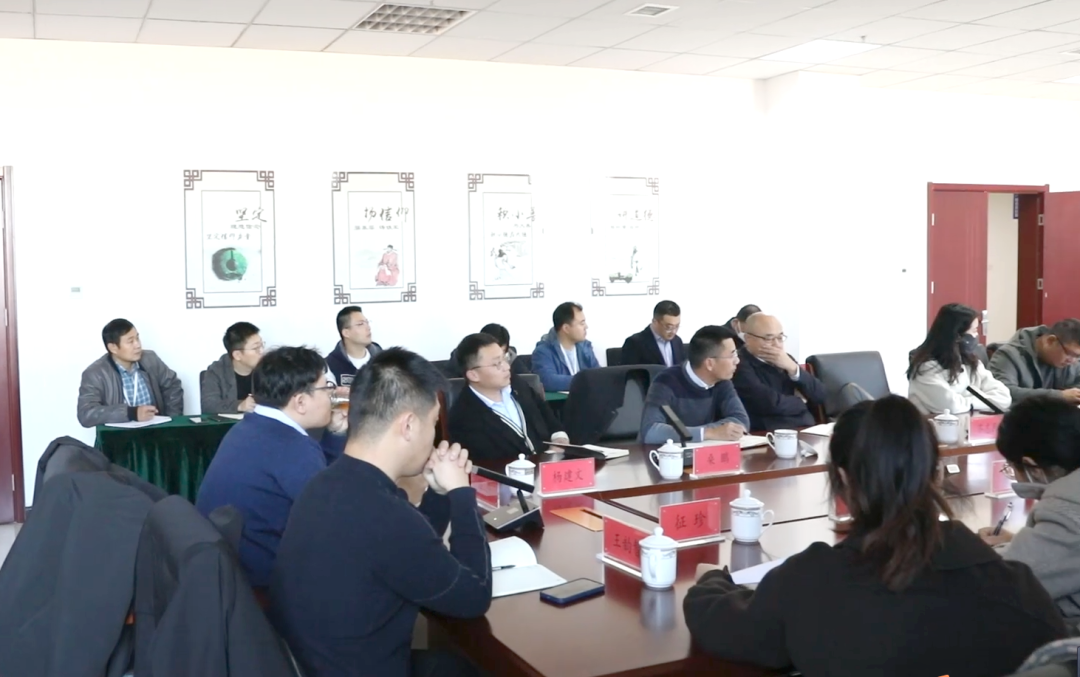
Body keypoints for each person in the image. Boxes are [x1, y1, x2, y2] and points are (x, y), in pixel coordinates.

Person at [684, 395, 1066, 677]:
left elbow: (724, 626)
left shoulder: (812, 581)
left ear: (844, 479)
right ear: (936, 473)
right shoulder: (1018, 587)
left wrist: (711, 580)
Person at [270, 348, 490, 677]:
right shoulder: (384, 513)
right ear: (409, 425)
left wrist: (439, 493)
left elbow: (410, 551)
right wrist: (461, 493)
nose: (434, 437)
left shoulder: (328, 482)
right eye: (433, 423)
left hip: (317, 662)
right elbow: (474, 597)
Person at [195, 346, 347, 588]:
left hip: (223, 573)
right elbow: (335, 516)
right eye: (327, 387)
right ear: (300, 402)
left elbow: (318, 484)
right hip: (263, 585)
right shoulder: (293, 447)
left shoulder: (248, 427)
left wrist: (335, 434)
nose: (333, 395)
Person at [979, 396, 1080, 627]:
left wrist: (968, 549)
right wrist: (1014, 542)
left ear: (1031, 466)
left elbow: (1007, 583)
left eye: (1011, 467)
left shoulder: (1067, 508)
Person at [448, 333, 568, 461]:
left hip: (552, 465)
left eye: (505, 359)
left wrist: (559, 437)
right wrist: (543, 458)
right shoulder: (463, 418)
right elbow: (490, 464)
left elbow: (545, 412)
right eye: (497, 364)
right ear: (473, 375)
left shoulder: (517, 384)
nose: (507, 367)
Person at [639, 325, 749, 444]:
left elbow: (741, 420)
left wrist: (707, 433)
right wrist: (709, 433)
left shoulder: (722, 381)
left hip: (705, 451)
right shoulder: (666, 381)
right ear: (709, 363)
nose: (737, 361)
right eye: (732, 355)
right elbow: (650, 431)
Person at [907, 303, 1011, 415]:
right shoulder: (925, 368)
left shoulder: (971, 362)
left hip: (970, 423)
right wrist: (982, 399)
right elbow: (950, 406)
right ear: (957, 335)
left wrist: (965, 401)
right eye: (974, 330)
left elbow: (1004, 398)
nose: (976, 336)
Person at [77, 319, 183, 428]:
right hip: (118, 435)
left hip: (155, 431)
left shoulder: (150, 359)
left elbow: (172, 386)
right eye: (130, 341)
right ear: (113, 348)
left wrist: (171, 422)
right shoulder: (95, 374)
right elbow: (86, 414)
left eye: (137, 338)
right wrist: (131, 413)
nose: (138, 345)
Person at [732, 313, 825, 431]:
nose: (777, 344)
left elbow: (820, 395)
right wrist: (802, 402)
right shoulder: (738, 364)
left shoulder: (786, 359)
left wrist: (793, 368)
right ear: (748, 339)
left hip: (806, 427)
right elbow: (770, 404)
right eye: (769, 339)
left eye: (780, 338)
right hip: (769, 431)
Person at [990, 319, 1080, 404]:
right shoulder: (1008, 355)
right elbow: (1003, 393)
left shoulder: (1071, 360)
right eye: (1070, 354)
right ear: (1050, 341)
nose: (1073, 361)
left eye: (1078, 356)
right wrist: (1058, 396)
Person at [532, 301, 599, 392]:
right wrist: (584, 380)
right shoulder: (543, 352)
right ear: (566, 328)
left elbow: (598, 375)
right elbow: (548, 381)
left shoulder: (585, 347)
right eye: (582, 323)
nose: (586, 327)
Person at [200, 321, 264, 414]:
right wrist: (239, 405)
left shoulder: (267, 369)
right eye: (256, 348)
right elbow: (209, 406)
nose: (261, 351)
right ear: (237, 355)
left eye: (262, 345)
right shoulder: (216, 372)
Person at [325, 305, 383, 388]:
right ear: (346, 333)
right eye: (360, 324)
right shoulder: (330, 365)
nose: (368, 328)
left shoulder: (382, 360)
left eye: (367, 322)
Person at [619, 299, 685, 367]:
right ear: (655, 322)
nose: (673, 331)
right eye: (669, 327)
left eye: (677, 326)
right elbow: (630, 372)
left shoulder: (677, 341)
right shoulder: (635, 343)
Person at [448, 323, 527, 377]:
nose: (505, 366)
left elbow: (528, 380)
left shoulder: (511, 358)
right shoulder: (461, 359)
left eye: (502, 353)